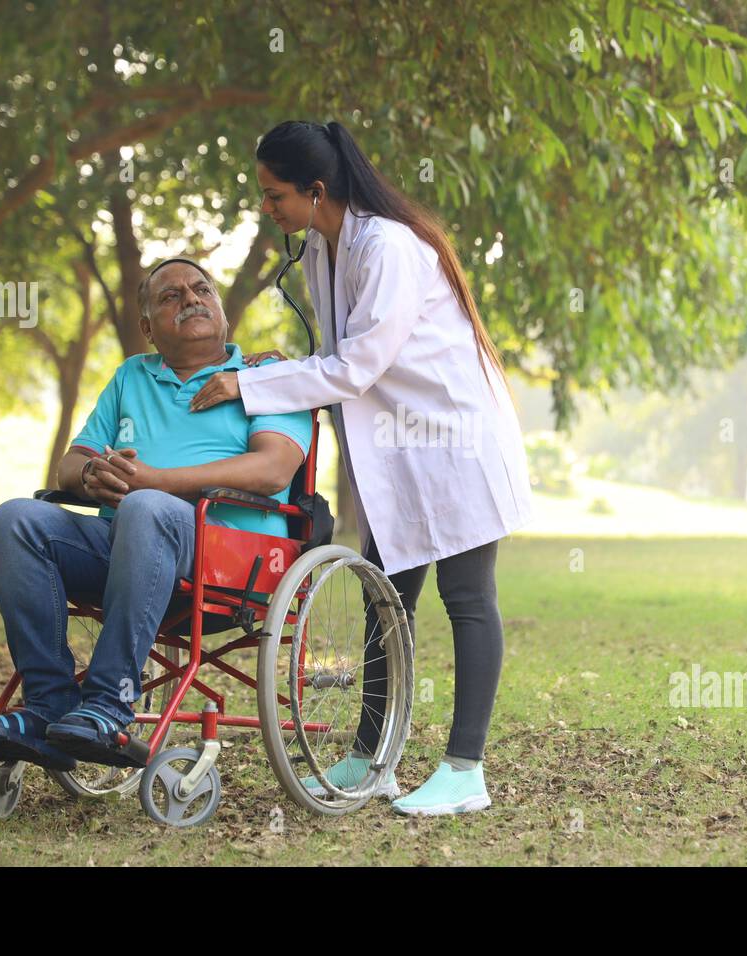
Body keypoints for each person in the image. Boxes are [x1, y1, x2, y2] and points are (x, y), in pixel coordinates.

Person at [187, 120, 533, 815]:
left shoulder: (390, 246)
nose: (268, 209)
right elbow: (345, 355)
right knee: (385, 598)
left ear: (317, 190)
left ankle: (466, 771)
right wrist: (282, 369)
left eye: (275, 194)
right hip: (403, 453)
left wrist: (249, 387)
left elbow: (358, 364)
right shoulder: (323, 247)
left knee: (467, 599)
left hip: (457, 439)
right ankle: (373, 760)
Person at [0, 258, 312, 769]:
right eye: (171, 296)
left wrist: (153, 482)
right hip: (126, 545)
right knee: (15, 519)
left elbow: (273, 469)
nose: (191, 300)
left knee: (146, 505)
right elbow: (70, 465)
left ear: (222, 309)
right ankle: (48, 705)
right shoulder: (130, 377)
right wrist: (92, 476)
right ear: (147, 329)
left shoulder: (267, 375)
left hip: (231, 555)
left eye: (202, 289)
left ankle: (109, 704)